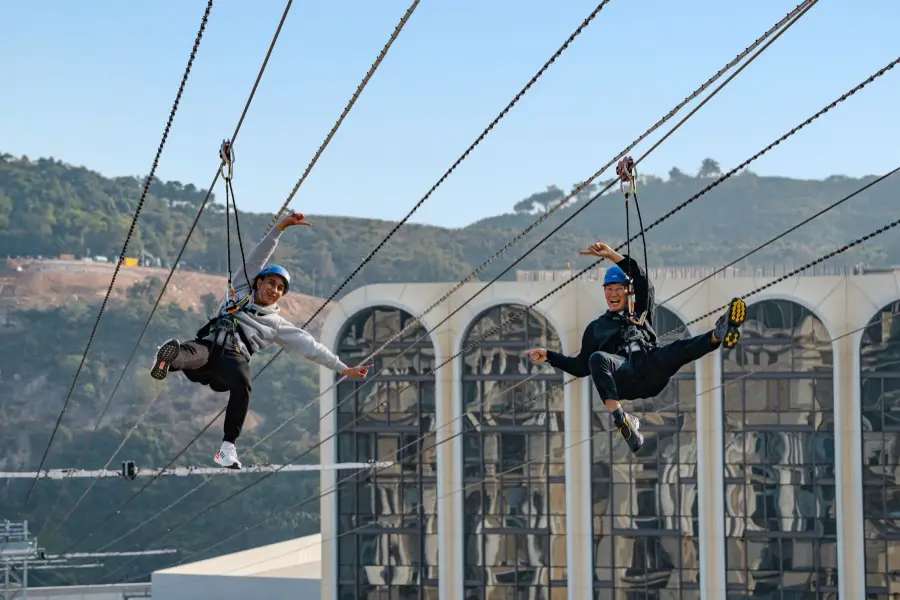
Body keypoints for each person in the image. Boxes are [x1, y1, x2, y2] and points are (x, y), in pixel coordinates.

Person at [149, 211, 371, 469]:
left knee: (243, 382)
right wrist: (280, 229)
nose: (274, 290)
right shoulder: (241, 289)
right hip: (211, 347)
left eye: (280, 288)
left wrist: (343, 368)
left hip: (233, 359)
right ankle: (166, 361)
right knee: (192, 351)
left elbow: (311, 347)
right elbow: (257, 257)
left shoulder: (276, 324)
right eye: (271, 283)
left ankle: (227, 448)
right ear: (259, 283)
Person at [523, 241, 746, 453]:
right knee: (597, 359)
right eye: (608, 289)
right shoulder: (596, 327)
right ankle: (622, 419)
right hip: (625, 376)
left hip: (650, 368)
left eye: (618, 288)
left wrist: (611, 254)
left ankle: (719, 334)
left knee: (678, 349)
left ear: (628, 291)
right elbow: (581, 367)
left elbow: (641, 280)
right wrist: (549, 356)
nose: (613, 294)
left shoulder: (640, 310)